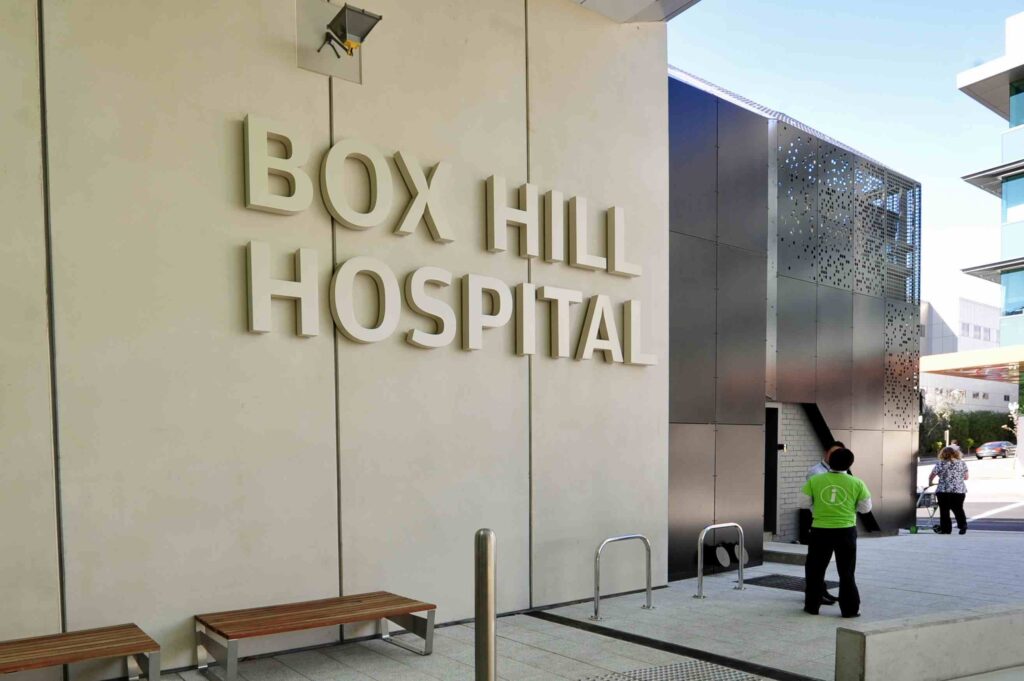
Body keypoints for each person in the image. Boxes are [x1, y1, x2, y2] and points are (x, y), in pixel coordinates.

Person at [802, 448, 871, 618]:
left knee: (816, 570)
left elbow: (803, 503)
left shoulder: (815, 481)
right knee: (846, 572)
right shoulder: (857, 483)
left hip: (820, 530)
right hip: (846, 531)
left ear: (829, 461)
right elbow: (866, 508)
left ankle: (812, 606)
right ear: (850, 464)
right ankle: (850, 609)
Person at [804, 440, 845, 605]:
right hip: (820, 522)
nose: (836, 457)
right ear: (826, 453)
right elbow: (808, 500)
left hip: (838, 523)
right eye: (834, 453)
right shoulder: (816, 472)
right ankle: (815, 593)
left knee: (825, 562)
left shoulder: (842, 471)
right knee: (816, 562)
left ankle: (821, 590)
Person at [928, 446, 969, 534]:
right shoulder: (962, 463)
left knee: (944, 511)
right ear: (956, 454)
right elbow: (966, 477)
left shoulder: (940, 464)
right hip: (959, 490)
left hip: (944, 491)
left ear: (943, 454)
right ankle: (963, 525)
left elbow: (931, 475)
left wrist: (930, 482)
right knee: (958, 509)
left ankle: (946, 529)